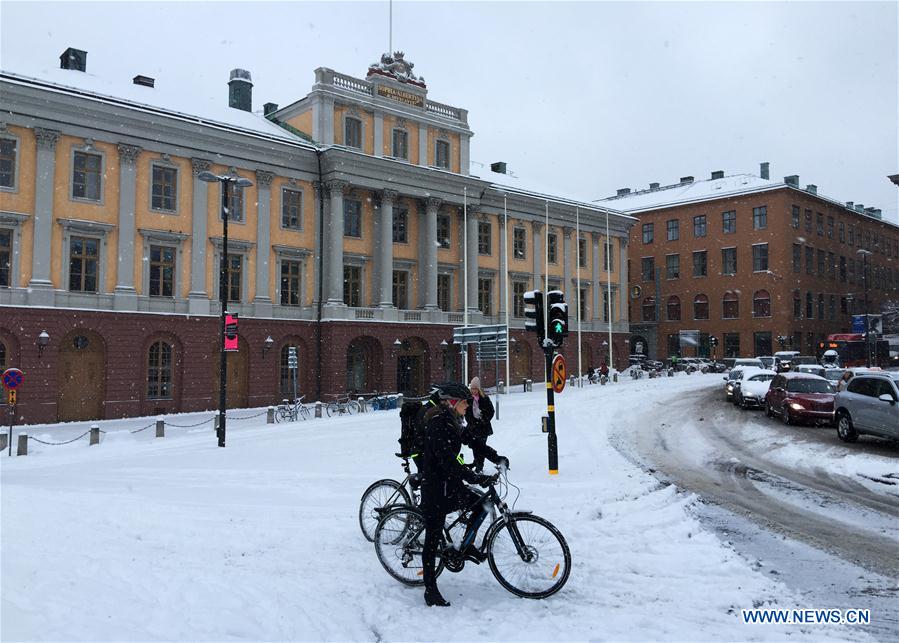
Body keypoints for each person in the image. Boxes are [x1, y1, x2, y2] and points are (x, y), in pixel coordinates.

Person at [418, 382, 509, 607]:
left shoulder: (456, 421)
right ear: (452, 403)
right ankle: (430, 589)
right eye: (465, 402)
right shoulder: (438, 424)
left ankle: (466, 546)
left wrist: (496, 457)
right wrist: (475, 477)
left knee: (480, 504)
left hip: (452, 484)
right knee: (433, 536)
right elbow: (448, 462)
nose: (469, 405)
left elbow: (474, 442)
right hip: (436, 487)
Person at [464, 377, 495, 472]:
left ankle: (479, 466)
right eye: (472, 388)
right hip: (473, 428)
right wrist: (472, 422)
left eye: (475, 389)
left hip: (483, 428)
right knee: (475, 446)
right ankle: (476, 462)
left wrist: (484, 419)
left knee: (481, 447)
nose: (473, 391)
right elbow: (466, 412)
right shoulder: (468, 399)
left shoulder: (484, 398)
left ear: (479, 389)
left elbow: (491, 411)